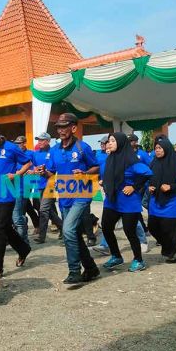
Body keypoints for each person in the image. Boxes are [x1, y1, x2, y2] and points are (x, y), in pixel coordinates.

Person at [44, 113, 100, 285]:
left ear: (73, 128)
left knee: (67, 230)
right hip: (65, 197)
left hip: (82, 195)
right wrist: (42, 172)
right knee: (73, 234)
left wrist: (84, 173)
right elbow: (51, 174)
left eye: (64, 127)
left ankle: (74, 271)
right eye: (58, 127)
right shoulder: (54, 151)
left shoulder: (83, 147)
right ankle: (91, 268)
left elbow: (96, 167)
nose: (60, 130)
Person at [0, 122, 32, 274]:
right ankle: (24, 248)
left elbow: (27, 163)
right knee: (5, 228)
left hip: (7, 194)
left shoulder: (11, 148)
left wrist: (16, 174)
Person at [99, 132, 153, 272]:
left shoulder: (131, 160)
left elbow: (148, 173)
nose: (109, 143)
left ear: (121, 142)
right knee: (106, 227)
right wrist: (104, 182)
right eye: (109, 141)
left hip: (128, 201)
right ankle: (116, 256)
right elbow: (109, 175)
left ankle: (138, 260)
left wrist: (134, 186)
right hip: (112, 200)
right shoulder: (110, 158)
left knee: (129, 231)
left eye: (112, 141)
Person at [147, 138, 176, 263]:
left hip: (172, 201)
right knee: (152, 226)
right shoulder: (154, 162)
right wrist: (149, 186)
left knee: (171, 230)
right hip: (156, 200)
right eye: (156, 148)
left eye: (160, 148)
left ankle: (170, 253)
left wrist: (171, 186)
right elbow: (149, 177)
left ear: (166, 148)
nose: (157, 151)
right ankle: (166, 246)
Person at [31, 132, 63, 244]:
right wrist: (35, 170)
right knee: (47, 210)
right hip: (39, 184)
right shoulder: (36, 153)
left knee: (43, 209)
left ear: (48, 141)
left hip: (50, 184)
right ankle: (63, 227)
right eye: (38, 140)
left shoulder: (53, 152)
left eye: (42, 140)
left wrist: (44, 172)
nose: (39, 142)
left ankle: (41, 236)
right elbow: (34, 167)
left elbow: (53, 172)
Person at [13, 135, 38, 241]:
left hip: (27, 183)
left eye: (19, 143)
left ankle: (22, 231)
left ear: (24, 143)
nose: (18, 145)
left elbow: (38, 166)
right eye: (16, 143)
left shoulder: (31, 153)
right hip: (16, 183)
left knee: (22, 208)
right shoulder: (15, 153)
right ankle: (36, 224)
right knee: (26, 205)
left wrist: (33, 171)